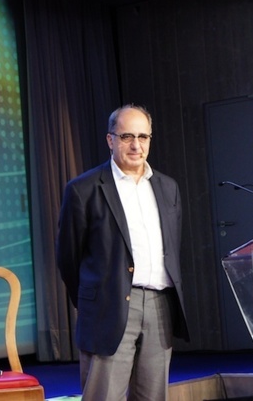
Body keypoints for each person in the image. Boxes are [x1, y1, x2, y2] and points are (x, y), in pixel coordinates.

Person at [56, 104, 189, 400]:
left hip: (160, 305)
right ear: (110, 140)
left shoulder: (168, 188)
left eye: (143, 137)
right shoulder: (83, 189)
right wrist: (95, 298)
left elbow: (172, 248)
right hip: (109, 307)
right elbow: (68, 258)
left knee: (153, 395)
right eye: (127, 136)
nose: (136, 145)